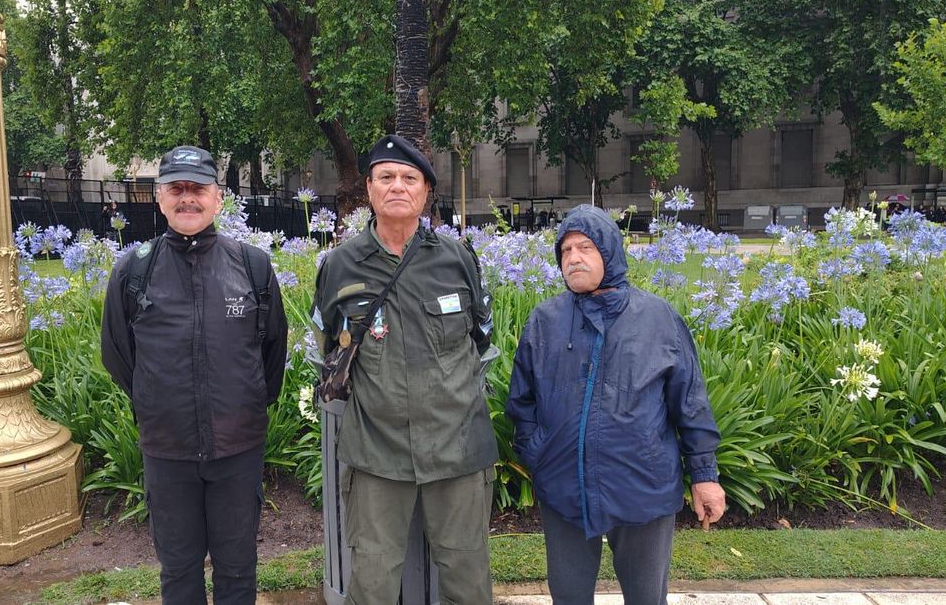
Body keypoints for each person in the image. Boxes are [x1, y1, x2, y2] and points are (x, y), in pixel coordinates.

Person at [506, 204, 726, 605]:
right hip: (564, 486)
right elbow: (522, 401)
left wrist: (704, 475)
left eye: (585, 247)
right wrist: (537, 451)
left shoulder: (658, 318)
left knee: (646, 597)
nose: (573, 258)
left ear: (609, 251)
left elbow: (689, 402)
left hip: (642, 485)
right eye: (566, 250)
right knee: (569, 595)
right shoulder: (544, 321)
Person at [311, 134, 497, 604]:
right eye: (386, 177)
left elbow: (482, 338)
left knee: (466, 578)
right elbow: (327, 347)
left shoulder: (458, 260)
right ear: (369, 190)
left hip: (457, 447)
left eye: (409, 178)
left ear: (426, 192)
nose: (398, 186)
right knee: (371, 581)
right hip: (377, 452)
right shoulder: (338, 265)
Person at [101, 145, 288, 605]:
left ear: (217, 197)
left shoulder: (252, 266)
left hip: (237, 448)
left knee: (238, 568)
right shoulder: (134, 271)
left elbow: (272, 351)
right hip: (168, 450)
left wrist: (240, 407)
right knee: (179, 570)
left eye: (197, 189)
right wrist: (157, 401)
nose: (188, 199)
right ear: (159, 198)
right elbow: (119, 356)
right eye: (176, 189)